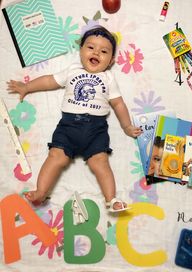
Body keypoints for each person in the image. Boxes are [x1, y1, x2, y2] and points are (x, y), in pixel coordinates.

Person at [7, 26, 142, 212]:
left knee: (100, 162)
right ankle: (41, 191)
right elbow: (48, 81)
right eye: (91, 47)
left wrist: (127, 126)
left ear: (110, 61)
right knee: (55, 157)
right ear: (81, 51)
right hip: (68, 127)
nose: (96, 52)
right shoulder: (72, 71)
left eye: (103, 51)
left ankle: (111, 199)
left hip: (96, 130)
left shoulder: (108, 78)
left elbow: (118, 104)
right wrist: (27, 87)